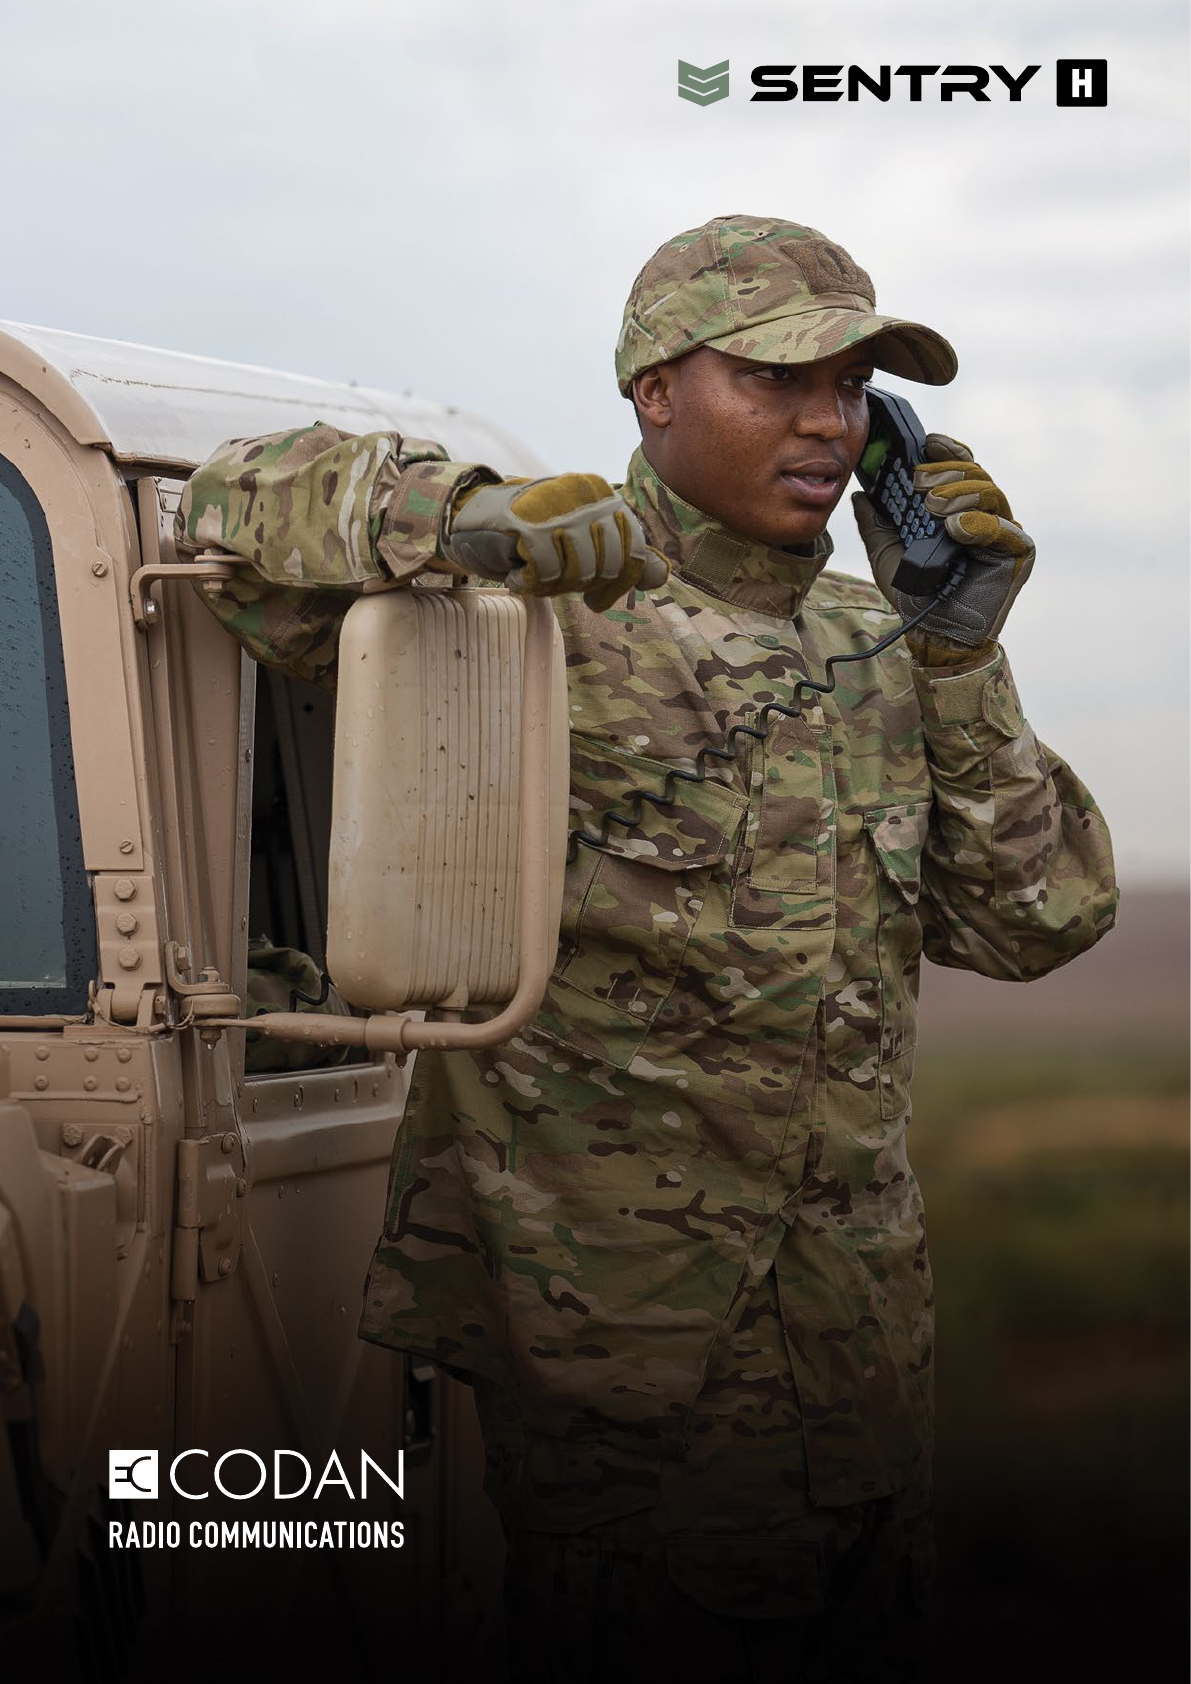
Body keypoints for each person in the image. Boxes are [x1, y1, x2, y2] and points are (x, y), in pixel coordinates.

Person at [176, 216, 1116, 1681]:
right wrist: (460, 520)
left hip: (862, 1357)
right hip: (630, 1370)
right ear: (655, 389)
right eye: (776, 377)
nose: (827, 421)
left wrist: (958, 648)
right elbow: (226, 510)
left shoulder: (883, 642)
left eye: (851, 384)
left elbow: (1034, 916)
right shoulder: (524, 616)